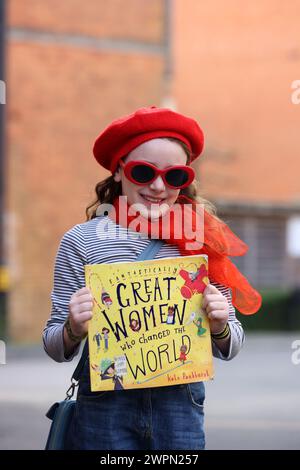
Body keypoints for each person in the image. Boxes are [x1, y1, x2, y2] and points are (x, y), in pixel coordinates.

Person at [43, 106, 262, 450]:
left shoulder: (201, 238)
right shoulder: (81, 240)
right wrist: (73, 327)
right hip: (105, 411)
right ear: (118, 171)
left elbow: (232, 346)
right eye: (143, 172)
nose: (159, 187)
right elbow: (55, 346)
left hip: (178, 408)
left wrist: (219, 324)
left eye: (174, 176)